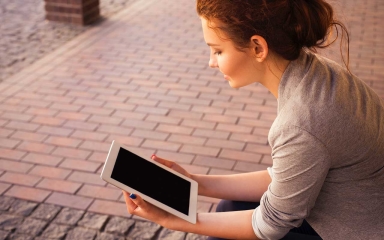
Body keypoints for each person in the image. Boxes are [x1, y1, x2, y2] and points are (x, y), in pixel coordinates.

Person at [122, 0, 384, 239]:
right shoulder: (316, 72)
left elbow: (269, 226)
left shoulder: (301, 121)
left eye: (217, 51)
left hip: (357, 231)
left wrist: (173, 220)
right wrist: (193, 182)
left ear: (258, 47)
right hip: (351, 212)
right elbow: (285, 176)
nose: (211, 62)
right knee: (229, 208)